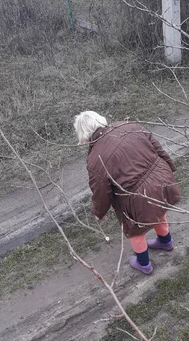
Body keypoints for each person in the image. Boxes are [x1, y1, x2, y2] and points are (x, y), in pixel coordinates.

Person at [74, 111, 180, 275]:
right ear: (100, 120)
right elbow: (157, 147)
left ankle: (144, 264)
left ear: (83, 133)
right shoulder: (127, 125)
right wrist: (169, 168)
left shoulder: (96, 158)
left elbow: (101, 191)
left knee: (134, 228)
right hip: (160, 180)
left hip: (136, 197)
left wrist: (99, 212)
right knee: (158, 210)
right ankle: (165, 241)